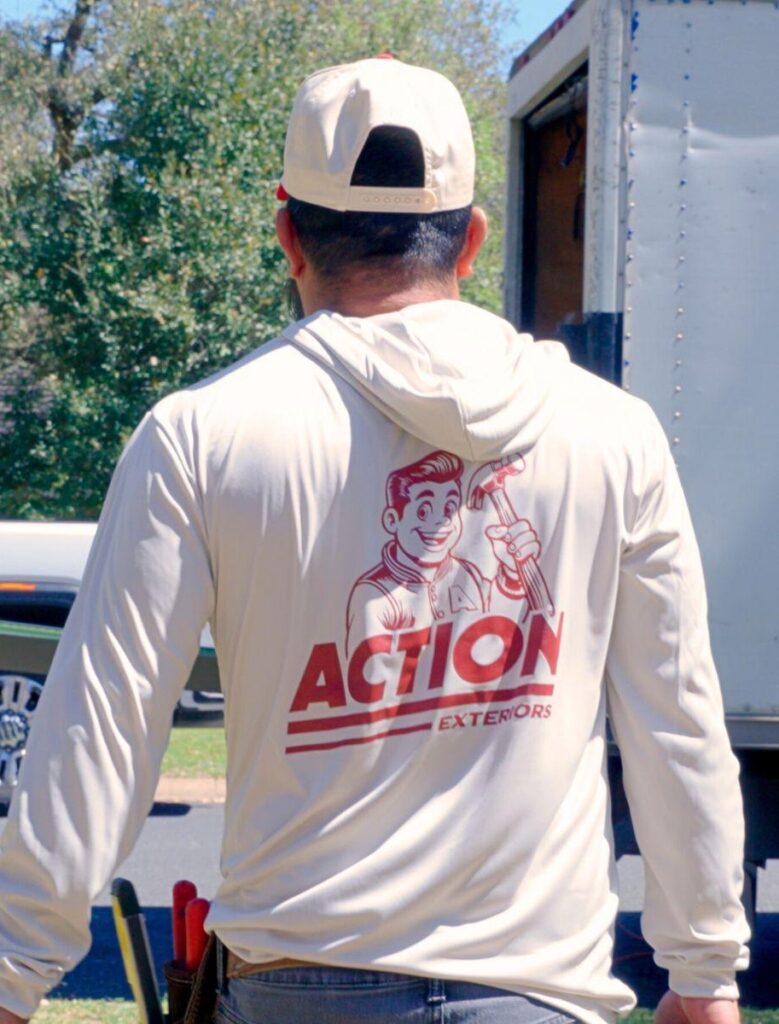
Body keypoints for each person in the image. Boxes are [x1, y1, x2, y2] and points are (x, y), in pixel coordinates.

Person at [0, 56, 748, 1024]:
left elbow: (100, 729)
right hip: (537, 988)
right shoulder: (609, 429)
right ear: (471, 238)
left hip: (296, 983)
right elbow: (674, 718)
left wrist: (15, 968)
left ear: (286, 233)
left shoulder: (203, 433)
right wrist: (703, 967)